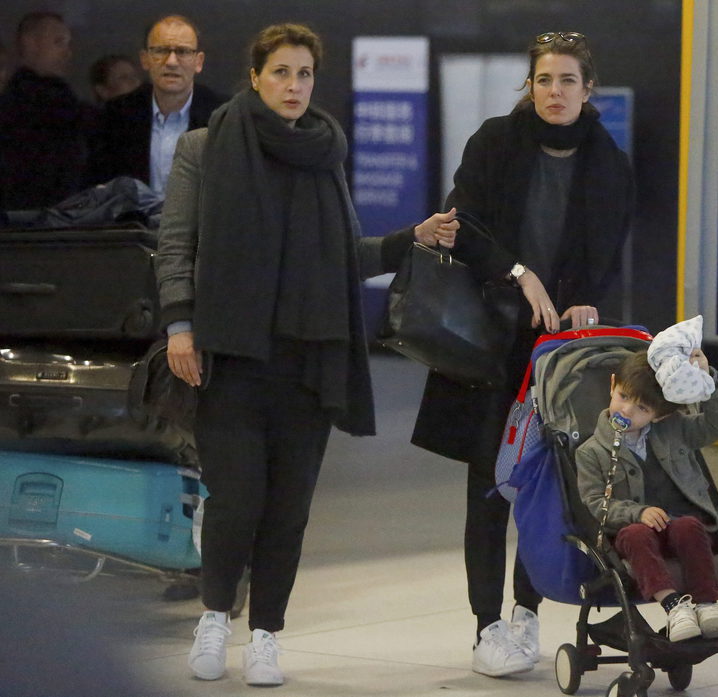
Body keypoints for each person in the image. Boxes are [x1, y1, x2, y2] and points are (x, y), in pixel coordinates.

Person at [154, 23, 458, 687]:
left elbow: (344, 257)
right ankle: (213, 618)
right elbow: (176, 246)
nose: (294, 86)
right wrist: (180, 325)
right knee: (236, 500)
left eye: (305, 75)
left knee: (289, 507)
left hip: (308, 358)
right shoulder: (205, 149)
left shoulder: (323, 155)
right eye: (282, 72)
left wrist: (412, 237)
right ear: (255, 76)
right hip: (228, 355)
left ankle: (266, 634)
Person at [410, 31, 634, 677]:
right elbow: (461, 225)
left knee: (543, 480)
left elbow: (604, 251)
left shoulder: (607, 160)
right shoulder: (493, 141)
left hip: (556, 350)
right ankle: (485, 624)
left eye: (567, 81)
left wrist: (588, 298)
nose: (554, 92)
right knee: (487, 480)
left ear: (587, 91)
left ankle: (527, 609)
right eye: (543, 80)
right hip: (488, 337)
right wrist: (516, 271)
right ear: (528, 86)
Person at [575, 323, 718, 642]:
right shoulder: (591, 451)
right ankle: (674, 606)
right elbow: (596, 503)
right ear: (612, 386)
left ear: (659, 416)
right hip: (632, 533)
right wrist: (637, 513)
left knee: (690, 526)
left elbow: (717, 425)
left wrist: (709, 380)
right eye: (622, 397)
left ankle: (706, 602)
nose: (626, 410)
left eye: (642, 408)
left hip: (680, 525)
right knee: (635, 534)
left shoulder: (674, 429)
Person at [89, 15, 226, 195]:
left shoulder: (225, 117)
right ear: (145, 59)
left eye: (183, 52)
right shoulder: (116, 115)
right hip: (131, 222)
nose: (171, 62)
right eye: (161, 51)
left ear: (198, 62)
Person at [0, 12, 94, 210]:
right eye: (58, 42)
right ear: (30, 42)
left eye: (68, 44)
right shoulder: (39, 104)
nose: (67, 52)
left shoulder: (54, 100)